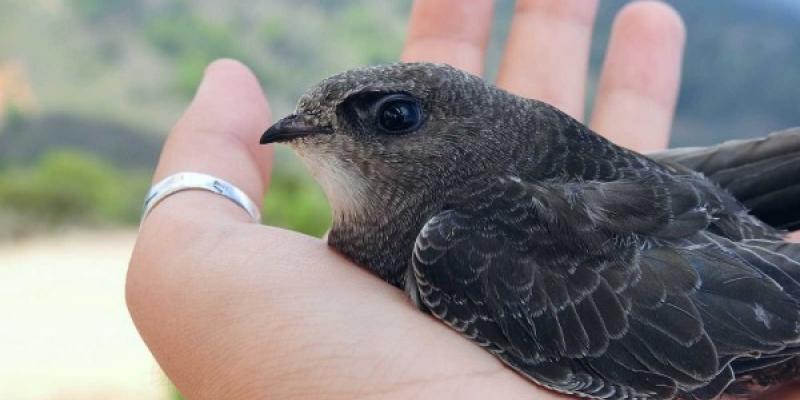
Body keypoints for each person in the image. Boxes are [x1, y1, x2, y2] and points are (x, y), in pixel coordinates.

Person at [127, 1, 799, 398]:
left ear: (462, 139)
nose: (305, 130)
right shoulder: (472, 204)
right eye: (314, 115)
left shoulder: (459, 247)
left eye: (389, 119)